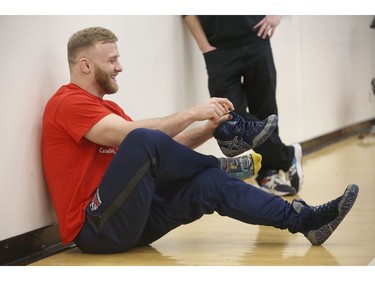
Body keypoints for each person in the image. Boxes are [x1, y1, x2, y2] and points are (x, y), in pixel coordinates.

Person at [41, 26, 359, 254]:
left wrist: (209, 126)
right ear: (85, 65)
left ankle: (306, 221)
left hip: (130, 219)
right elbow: (138, 140)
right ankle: (224, 162)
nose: (119, 67)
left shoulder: (107, 108)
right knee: (141, 139)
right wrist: (193, 112)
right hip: (95, 229)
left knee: (209, 183)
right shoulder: (67, 103)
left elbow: (164, 152)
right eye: (111, 60)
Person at [184, 15, 302, 197]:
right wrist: (205, 47)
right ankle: (287, 156)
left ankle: (269, 175)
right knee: (228, 117)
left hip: (257, 40)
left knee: (265, 111)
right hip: (218, 51)